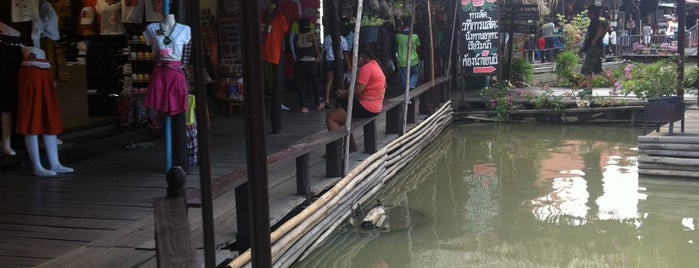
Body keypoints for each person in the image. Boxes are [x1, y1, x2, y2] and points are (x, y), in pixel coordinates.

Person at [16, 46, 73, 176]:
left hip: (43, 68)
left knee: (49, 116)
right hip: (31, 69)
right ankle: (37, 165)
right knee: (31, 115)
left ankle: (55, 163)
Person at [326, 50, 385, 151]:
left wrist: (343, 94)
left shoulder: (365, 68)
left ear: (361, 58)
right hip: (376, 104)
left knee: (331, 118)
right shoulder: (374, 63)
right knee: (342, 114)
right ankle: (350, 145)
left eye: (355, 59)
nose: (354, 61)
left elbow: (357, 91)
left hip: (367, 106)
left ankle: (336, 150)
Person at [142, 14, 191, 116]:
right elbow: (153, 51)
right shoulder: (151, 28)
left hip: (176, 73)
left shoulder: (185, 29)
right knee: (158, 108)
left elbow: (186, 54)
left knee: (175, 105)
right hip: (159, 72)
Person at [261, 3, 290, 110]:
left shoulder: (263, 16)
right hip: (274, 50)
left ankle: (272, 100)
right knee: (275, 79)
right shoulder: (278, 16)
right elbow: (286, 29)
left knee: (268, 78)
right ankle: (277, 101)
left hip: (266, 50)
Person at [0, 22, 23, 156]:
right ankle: (6, 143)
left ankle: (7, 143)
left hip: (15, 49)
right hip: (8, 50)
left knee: (8, 101)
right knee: (6, 102)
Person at [580, 5, 614, 96]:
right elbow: (605, 29)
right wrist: (599, 39)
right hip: (596, 47)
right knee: (598, 69)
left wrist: (595, 40)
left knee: (586, 68)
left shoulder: (596, 21)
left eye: (589, 12)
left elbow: (600, 30)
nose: (588, 14)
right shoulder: (597, 21)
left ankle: (589, 88)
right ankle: (614, 81)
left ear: (593, 13)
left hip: (593, 48)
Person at [293, 17, 322, 112]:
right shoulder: (311, 36)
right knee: (315, 83)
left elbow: (296, 49)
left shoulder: (297, 37)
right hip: (311, 61)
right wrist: (317, 56)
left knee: (302, 84)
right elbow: (316, 49)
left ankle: (303, 106)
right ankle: (317, 104)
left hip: (301, 62)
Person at [323, 31, 349, 109]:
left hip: (329, 60)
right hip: (338, 60)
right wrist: (348, 64)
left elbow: (325, 50)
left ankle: (327, 99)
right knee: (341, 79)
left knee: (329, 80)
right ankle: (344, 98)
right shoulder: (342, 39)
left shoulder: (327, 38)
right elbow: (345, 52)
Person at [395, 20, 420, 90]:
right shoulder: (415, 36)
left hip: (402, 60)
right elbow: (418, 47)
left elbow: (395, 45)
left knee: (404, 77)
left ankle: (406, 90)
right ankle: (412, 85)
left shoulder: (398, 36)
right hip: (413, 59)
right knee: (415, 73)